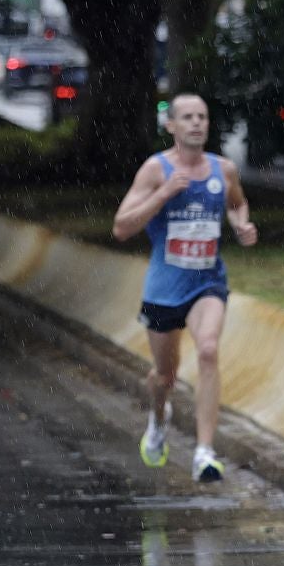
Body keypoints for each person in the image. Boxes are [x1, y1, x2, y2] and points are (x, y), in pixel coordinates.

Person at [111, 94, 257, 482]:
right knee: (164, 377)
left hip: (207, 283)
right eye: (187, 117)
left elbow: (238, 204)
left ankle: (204, 452)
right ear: (171, 126)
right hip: (164, 288)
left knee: (208, 349)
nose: (196, 123)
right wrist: (162, 195)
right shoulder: (155, 171)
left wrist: (242, 224)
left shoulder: (222, 170)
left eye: (202, 117)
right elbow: (121, 227)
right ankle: (158, 419)